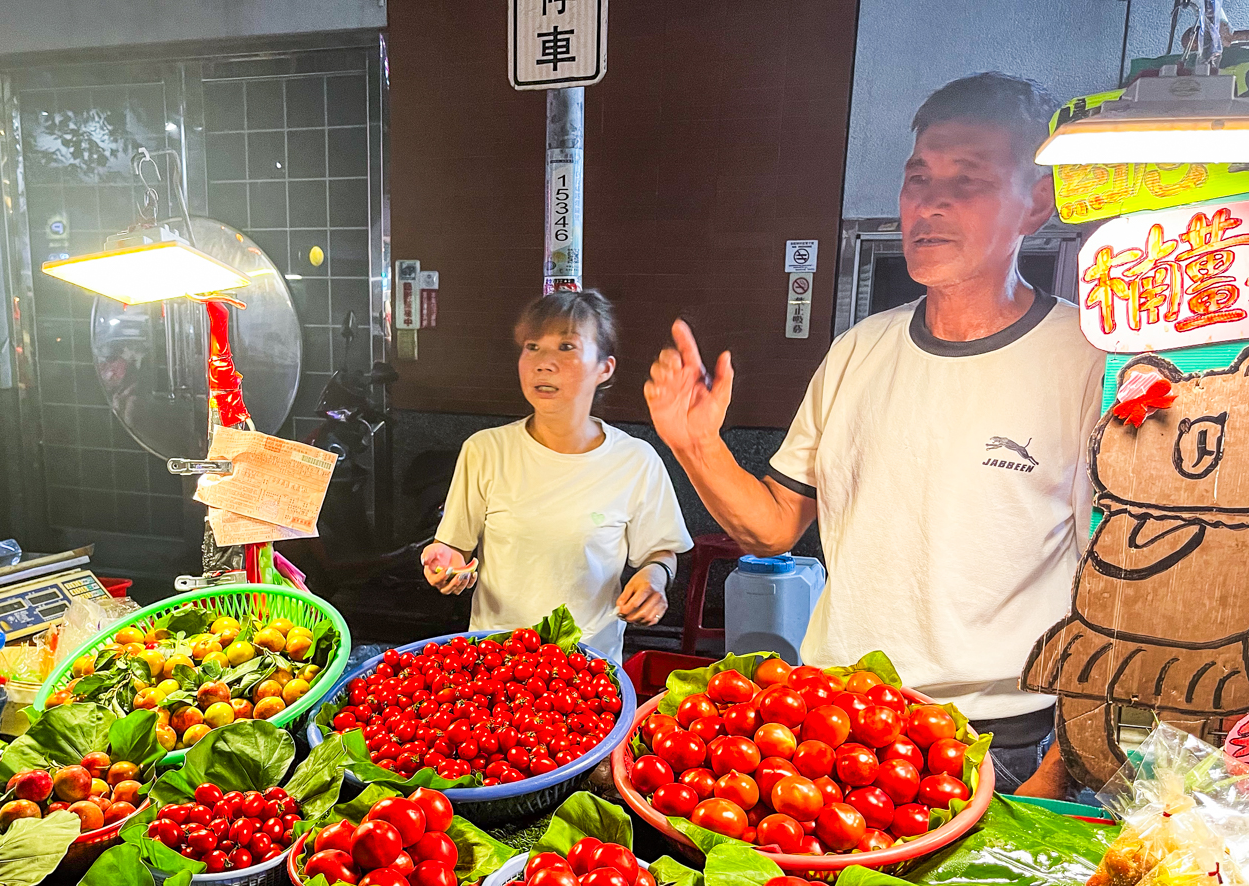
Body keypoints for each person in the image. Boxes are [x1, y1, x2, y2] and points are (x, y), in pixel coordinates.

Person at [644, 73, 1103, 798]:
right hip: (834, 727)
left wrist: (1057, 767)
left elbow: (1111, 592)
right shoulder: (859, 350)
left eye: (968, 179)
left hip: (999, 741)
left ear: (1037, 203)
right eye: (918, 176)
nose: (931, 202)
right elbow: (771, 527)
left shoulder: (1087, 361)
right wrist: (696, 444)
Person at [422, 289, 693, 664]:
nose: (543, 363)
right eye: (532, 347)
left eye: (566, 347)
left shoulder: (635, 460)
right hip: (495, 667)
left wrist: (656, 578)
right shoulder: (484, 450)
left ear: (605, 368)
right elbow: (455, 548)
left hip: (589, 672)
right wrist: (445, 564)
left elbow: (660, 553)